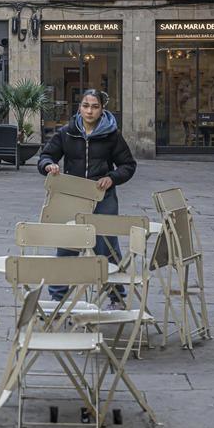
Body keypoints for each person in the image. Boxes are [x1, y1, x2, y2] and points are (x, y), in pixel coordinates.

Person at [38, 89, 137, 303]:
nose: (89, 111)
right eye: (85, 106)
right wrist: (49, 165)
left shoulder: (112, 136)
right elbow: (45, 155)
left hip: (102, 196)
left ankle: (116, 297)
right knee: (67, 245)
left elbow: (128, 165)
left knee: (106, 246)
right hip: (73, 197)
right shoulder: (66, 132)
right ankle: (58, 299)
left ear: (102, 109)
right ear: (79, 107)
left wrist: (112, 177)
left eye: (94, 106)